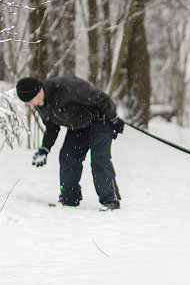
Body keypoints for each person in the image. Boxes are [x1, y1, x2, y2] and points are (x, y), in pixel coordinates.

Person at [16, 75, 124, 210]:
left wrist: (113, 118)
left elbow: (100, 97)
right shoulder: (40, 103)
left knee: (99, 159)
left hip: (100, 118)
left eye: (31, 100)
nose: (31, 105)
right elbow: (52, 126)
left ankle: (110, 201)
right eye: (28, 103)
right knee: (68, 156)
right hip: (79, 125)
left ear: (39, 91)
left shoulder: (67, 87)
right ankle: (69, 198)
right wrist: (45, 148)